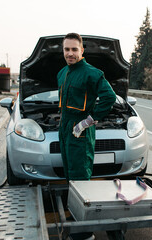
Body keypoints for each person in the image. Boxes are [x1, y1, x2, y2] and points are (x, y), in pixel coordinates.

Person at [57, 33, 116, 181]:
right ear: (63, 50)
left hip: (80, 129)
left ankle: (81, 203)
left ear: (82, 50)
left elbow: (109, 97)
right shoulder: (62, 73)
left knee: (80, 173)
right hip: (64, 127)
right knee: (68, 170)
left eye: (74, 49)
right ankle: (71, 202)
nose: (70, 53)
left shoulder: (92, 73)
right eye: (66, 49)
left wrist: (88, 121)